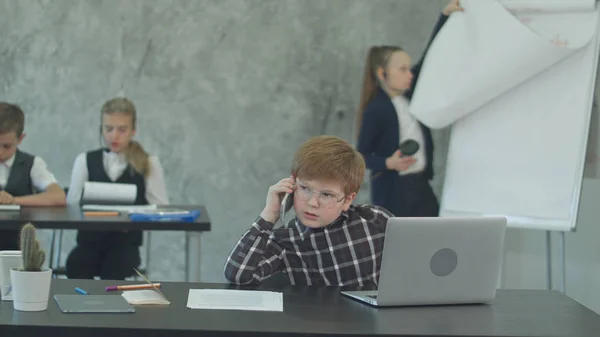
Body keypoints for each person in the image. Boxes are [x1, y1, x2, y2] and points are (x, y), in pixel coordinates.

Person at [224, 135, 393, 286]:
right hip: (314, 319)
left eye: (327, 194)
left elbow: (413, 268)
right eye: (305, 188)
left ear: (347, 200)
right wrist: (270, 214)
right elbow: (238, 276)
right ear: (292, 184)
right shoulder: (285, 240)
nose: (312, 203)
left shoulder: (376, 221)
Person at [355, 0, 464, 217]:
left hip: (420, 185)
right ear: (382, 73)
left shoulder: (411, 95)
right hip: (393, 191)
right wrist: (389, 162)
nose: (409, 74)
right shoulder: (376, 110)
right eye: (402, 69)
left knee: (435, 236)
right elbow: (360, 156)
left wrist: (445, 16)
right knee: (401, 244)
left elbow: (428, 59)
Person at [65, 97, 168, 280]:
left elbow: (160, 207)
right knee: (76, 263)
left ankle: (110, 308)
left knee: (115, 268)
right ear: (101, 129)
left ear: (133, 130)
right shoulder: (85, 160)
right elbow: (72, 203)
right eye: (108, 129)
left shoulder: (148, 162)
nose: (114, 136)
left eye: (122, 130)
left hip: (125, 244)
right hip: (89, 242)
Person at [0, 102, 66, 250]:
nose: (0, 152)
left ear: (20, 139)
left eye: (6, 146)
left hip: (17, 243)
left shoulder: (32, 164)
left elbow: (58, 196)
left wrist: (13, 200)